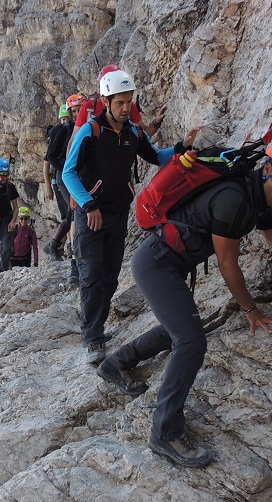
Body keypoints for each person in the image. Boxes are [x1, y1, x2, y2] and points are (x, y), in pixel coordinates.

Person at [97, 135, 272, 469]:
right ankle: (164, 432)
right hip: (156, 263)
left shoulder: (255, 197)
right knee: (191, 341)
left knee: (183, 329)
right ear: (267, 169)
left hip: (168, 262)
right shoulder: (235, 198)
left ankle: (116, 364)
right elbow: (228, 265)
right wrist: (251, 310)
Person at [63, 70, 191, 365]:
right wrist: (88, 205)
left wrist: (183, 146)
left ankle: (97, 325)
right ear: (106, 101)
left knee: (109, 276)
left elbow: (157, 156)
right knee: (92, 274)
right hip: (91, 215)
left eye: (128, 102)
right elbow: (68, 173)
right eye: (120, 102)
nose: (125, 108)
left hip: (118, 213)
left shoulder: (133, 133)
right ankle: (92, 335)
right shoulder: (90, 132)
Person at [43, 93, 86, 283]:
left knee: (73, 212)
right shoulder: (64, 128)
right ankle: (74, 262)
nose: (76, 114)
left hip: (76, 174)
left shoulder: (84, 127)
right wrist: (66, 170)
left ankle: (55, 245)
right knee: (76, 212)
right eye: (73, 111)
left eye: (79, 110)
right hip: (65, 176)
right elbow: (51, 156)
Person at [72, 64, 166, 141]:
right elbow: (74, 140)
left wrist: (156, 123)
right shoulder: (90, 107)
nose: (125, 107)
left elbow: (144, 133)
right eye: (119, 103)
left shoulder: (128, 105)